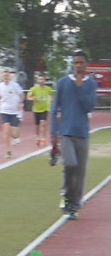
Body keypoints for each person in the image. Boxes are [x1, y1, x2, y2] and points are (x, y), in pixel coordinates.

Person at [50, 50, 98, 220]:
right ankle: (66, 194)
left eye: (81, 62)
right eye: (75, 62)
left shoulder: (91, 84)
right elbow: (55, 108)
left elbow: (89, 107)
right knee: (70, 164)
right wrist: (53, 133)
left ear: (86, 64)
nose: (78, 65)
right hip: (66, 133)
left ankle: (74, 206)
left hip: (83, 133)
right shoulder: (63, 82)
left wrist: (80, 88)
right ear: (72, 64)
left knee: (81, 171)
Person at [0, 71, 25, 158]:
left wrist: (20, 102)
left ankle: (17, 135)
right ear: (2, 77)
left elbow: (22, 94)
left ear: (10, 77)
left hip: (14, 111)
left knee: (14, 134)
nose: (6, 77)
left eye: (7, 75)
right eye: (4, 76)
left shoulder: (15, 85)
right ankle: (8, 151)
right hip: (4, 111)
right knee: (6, 132)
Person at [27, 74, 54, 147]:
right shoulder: (34, 89)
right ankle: (38, 137)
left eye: (43, 79)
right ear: (38, 80)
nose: (41, 81)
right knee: (37, 125)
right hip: (36, 109)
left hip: (45, 108)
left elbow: (52, 96)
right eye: (40, 79)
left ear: (45, 80)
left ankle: (43, 139)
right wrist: (33, 98)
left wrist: (51, 100)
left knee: (43, 123)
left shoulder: (48, 89)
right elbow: (28, 97)